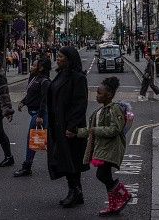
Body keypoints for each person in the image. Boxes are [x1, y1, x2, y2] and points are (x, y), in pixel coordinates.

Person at [71, 77, 132, 216]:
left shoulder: (114, 109)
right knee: (104, 176)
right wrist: (75, 133)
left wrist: (95, 130)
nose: (97, 95)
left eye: (99, 93)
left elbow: (115, 129)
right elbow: (90, 129)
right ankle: (115, 204)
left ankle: (123, 195)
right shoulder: (100, 111)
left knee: (102, 175)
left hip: (110, 149)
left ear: (109, 95)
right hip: (102, 148)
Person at [46, 46, 89, 208]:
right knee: (64, 159)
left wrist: (72, 127)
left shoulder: (78, 78)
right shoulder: (60, 75)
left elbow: (80, 104)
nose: (58, 58)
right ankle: (74, 191)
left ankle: (76, 192)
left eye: (61, 56)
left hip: (70, 127)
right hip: (58, 124)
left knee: (72, 160)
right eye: (58, 56)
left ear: (70, 59)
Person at [14, 57, 51, 177]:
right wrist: (23, 102)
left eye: (33, 65)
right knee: (47, 140)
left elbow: (45, 100)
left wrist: (40, 116)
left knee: (33, 139)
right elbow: (31, 94)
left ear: (40, 68)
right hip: (35, 112)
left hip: (40, 114)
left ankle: (27, 167)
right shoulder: (34, 78)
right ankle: (60, 164)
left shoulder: (45, 81)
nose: (31, 67)